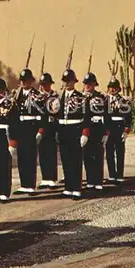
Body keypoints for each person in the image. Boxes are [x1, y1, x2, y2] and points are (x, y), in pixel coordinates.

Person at [52, 69, 85, 199]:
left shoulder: (80, 97)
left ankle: (76, 188)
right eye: (65, 81)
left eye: (69, 81)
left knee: (75, 160)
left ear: (74, 82)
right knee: (65, 160)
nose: (67, 83)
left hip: (75, 130)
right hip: (63, 130)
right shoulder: (59, 97)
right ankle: (68, 187)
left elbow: (85, 116)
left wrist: (85, 133)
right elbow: (53, 115)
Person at [11, 68, 44, 195]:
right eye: (22, 80)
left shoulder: (37, 95)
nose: (24, 83)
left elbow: (42, 114)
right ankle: (24, 184)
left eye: (27, 80)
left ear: (31, 81)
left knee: (30, 157)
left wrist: (40, 130)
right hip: (20, 128)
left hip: (31, 128)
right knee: (21, 157)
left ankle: (30, 185)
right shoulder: (16, 95)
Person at [82, 72, 110, 192]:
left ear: (95, 84)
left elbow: (107, 115)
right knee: (87, 156)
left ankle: (98, 181)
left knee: (98, 156)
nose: (88, 86)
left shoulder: (101, 97)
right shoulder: (81, 97)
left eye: (90, 83)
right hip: (85, 131)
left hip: (98, 130)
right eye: (86, 83)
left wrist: (106, 133)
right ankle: (90, 181)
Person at [105, 76, 132, 184]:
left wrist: (126, 131)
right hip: (109, 128)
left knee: (120, 152)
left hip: (119, 128)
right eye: (110, 87)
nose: (112, 89)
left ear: (118, 89)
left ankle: (120, 174)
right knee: (109, 152)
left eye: (114, 87)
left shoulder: (124, 101)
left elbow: (128, 117)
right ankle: (112, 174)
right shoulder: (104, 100)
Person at [37, 73, 60, 189]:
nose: (44, 87)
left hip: (51, 127)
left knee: (51, 153)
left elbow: (55, 111)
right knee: (42, 153)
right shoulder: (38, 96)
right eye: (42, 84)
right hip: (41, 127)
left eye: (46, 84)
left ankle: (52, 178)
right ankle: (45, 178)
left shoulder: (55, 96)